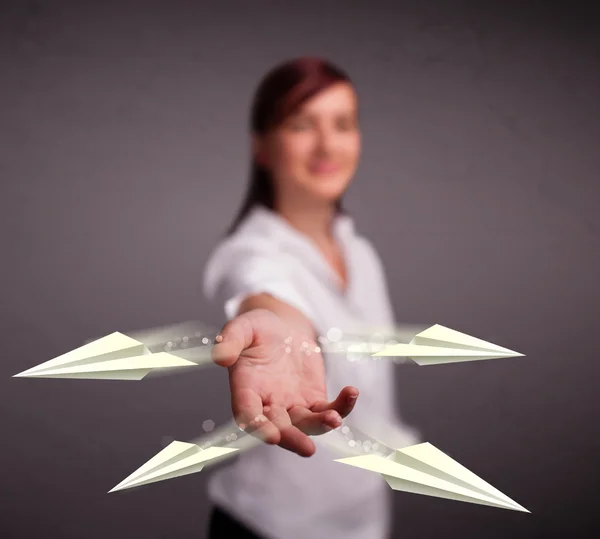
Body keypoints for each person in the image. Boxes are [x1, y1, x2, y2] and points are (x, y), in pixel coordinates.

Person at [202, 57, 419, 539]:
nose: (327, 144)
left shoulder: (359, 252)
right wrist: (275, 324)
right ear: (262, 146)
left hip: (364, 524)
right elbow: (262, 289)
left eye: (343, 124)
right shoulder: (250, 249)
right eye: (302, 124)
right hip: (271, 528)